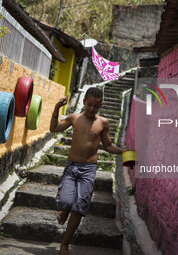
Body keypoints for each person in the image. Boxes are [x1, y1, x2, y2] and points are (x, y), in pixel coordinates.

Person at [50, 87, 124, 255]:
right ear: (84, 102)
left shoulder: (103, 122)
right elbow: (54, 128)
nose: (92, 109)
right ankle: (65, 209)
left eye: (96, 106)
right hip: (72, 167)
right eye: (89, 104)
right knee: (66, 201)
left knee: (79, 207)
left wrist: (122, 151)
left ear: (101, 105)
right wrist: (57, 108)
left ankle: (65, 244)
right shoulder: (74, 118)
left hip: (89, 170)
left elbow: (108, 146)